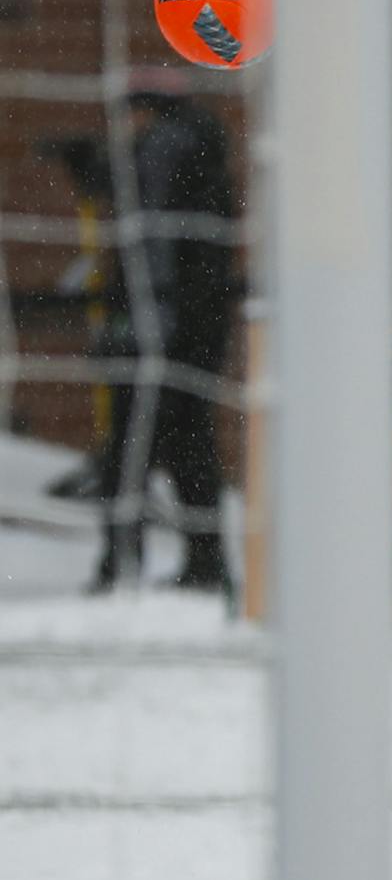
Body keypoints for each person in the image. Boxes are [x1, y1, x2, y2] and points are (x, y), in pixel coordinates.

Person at [89, 83, 242, 594]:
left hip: (163, 330)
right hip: (195, 328)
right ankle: (204, 561)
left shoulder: (163, 153)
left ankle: (120, 564)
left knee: (131, 448)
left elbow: (153, 251)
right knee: (187, 448)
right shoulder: (202, 152)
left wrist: (138, 328)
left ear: (146, 111)